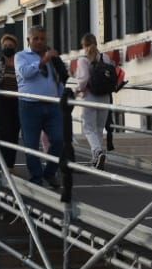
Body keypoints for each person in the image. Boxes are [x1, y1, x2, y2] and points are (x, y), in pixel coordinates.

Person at [15, 26, 68, 186]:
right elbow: (25, 73)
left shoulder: (51, 58)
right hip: (29, 106)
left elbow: (57, 79)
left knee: (59, 140)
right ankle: (36, 178)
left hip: (52, 105)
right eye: (36, 38)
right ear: (28, 40)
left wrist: (63, 95)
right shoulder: (21, 56)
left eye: (42, 39)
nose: (39, 42)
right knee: (31, 145)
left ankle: (49, 172)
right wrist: (43, 61)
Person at [73, 33, 115, 168]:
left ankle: (97, 152)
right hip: (105, 97)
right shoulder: (105, 57)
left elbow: (83, 80)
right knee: (99, 128)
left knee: (88, 128)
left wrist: (76, 91)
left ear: (83, 46)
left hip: (90, 97)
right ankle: (96, 158)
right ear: (96, 44)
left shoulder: (83, 60)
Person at [0, 34, 22, 160]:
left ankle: (10, 164)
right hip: (1, 102)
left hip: (17, 101)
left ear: (15, 47)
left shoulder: (20, 63)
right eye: (5, 45)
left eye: (10, 45)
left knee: (14, 132)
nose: (8, 47)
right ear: (2, 47)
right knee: (3, 132)